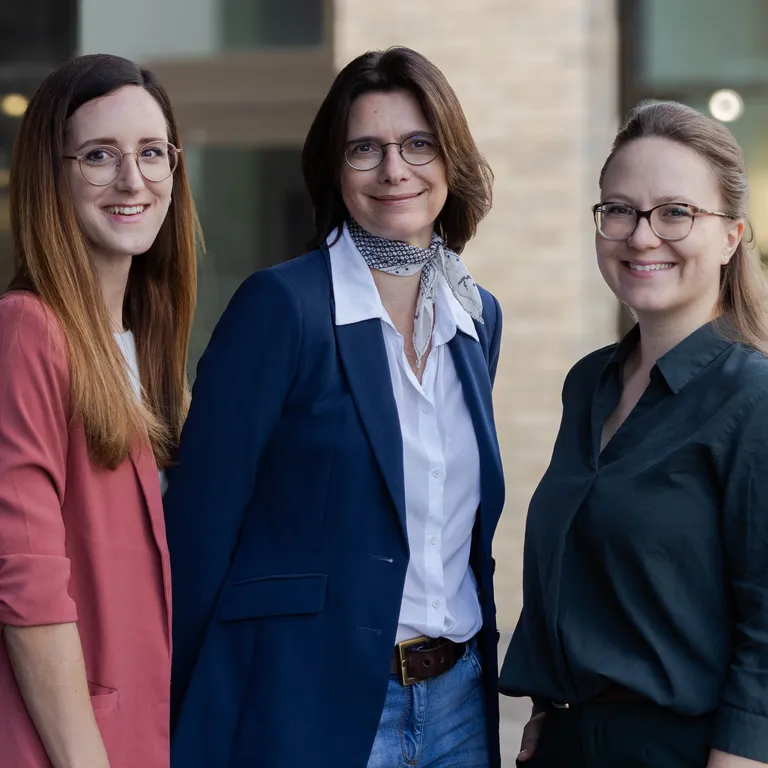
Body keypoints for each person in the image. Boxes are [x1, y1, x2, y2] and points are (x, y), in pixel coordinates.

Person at [165, 46, 505, 768]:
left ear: (452, 160)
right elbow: (200, 528)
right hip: (309, 705)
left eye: (419, 143)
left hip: (459, 704)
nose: (395, 169)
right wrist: (177, 718)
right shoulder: (282, 307)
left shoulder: (477, 317)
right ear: (333, 168)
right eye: (365, 149)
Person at [500, 100, 768, 768]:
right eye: (619, 209)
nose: (642, 236)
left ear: (732, 236)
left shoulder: (752, 397)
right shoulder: (588, 384)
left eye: (676, 212)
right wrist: (546, 705)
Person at [0, 54, 199, 767]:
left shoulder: (142, 349)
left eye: (151, 153)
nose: (132, 179)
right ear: (50, 176)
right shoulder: (28, 331)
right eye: (98, 156)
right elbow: (26, 586)